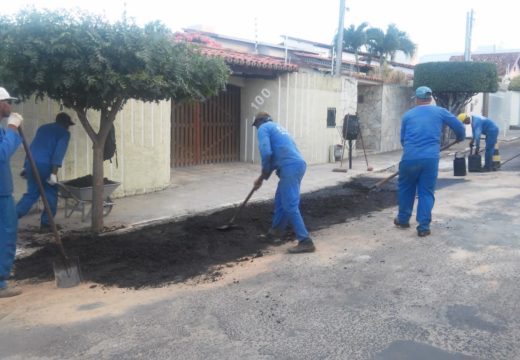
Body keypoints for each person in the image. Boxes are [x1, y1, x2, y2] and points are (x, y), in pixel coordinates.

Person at [394, 86, 466, 237]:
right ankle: (423, 227)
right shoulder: (440, 112)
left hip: (409, 158)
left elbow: (403, 139)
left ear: (417, 99)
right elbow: (459, 125)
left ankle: (403, 219)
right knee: (426, 192)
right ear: (431, 98)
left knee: (406, 189)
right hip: (430, 160)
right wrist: (460, 137)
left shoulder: (408, 115)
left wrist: (411, 149)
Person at [252, 111, 315, 253]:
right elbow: (277, 157)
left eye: (256, 125)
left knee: (290, 205)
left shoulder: (264, 128)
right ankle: (274, 233)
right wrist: (262, 178)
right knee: (281, 200)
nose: (257, 128)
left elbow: (267, 153)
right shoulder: (277, 128)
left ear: (259, 122)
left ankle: (305, 241)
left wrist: (263, 174)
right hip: (296, 165)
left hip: (290, 167)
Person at [16, 112, 74, 232]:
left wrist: (25, 165)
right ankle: (46, 224)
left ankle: (9, 219)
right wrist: (53, 174)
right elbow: (58, 153)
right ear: (64, 123)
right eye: (68, 124)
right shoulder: (64, 133)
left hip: (31, 163)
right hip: (45, 166)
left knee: (31, 194)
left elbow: (32, 146)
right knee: (51, 193)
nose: (68, 127)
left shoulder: (43, 128)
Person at [0, 87, 24, 298]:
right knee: (6, 234)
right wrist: (12, 128)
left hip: (3, 190)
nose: (10, 105)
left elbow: (11, 146)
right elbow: (2, 154)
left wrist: (14, 131)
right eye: (6, 102)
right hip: (0, 193)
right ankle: (1, 282)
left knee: (6, 232)